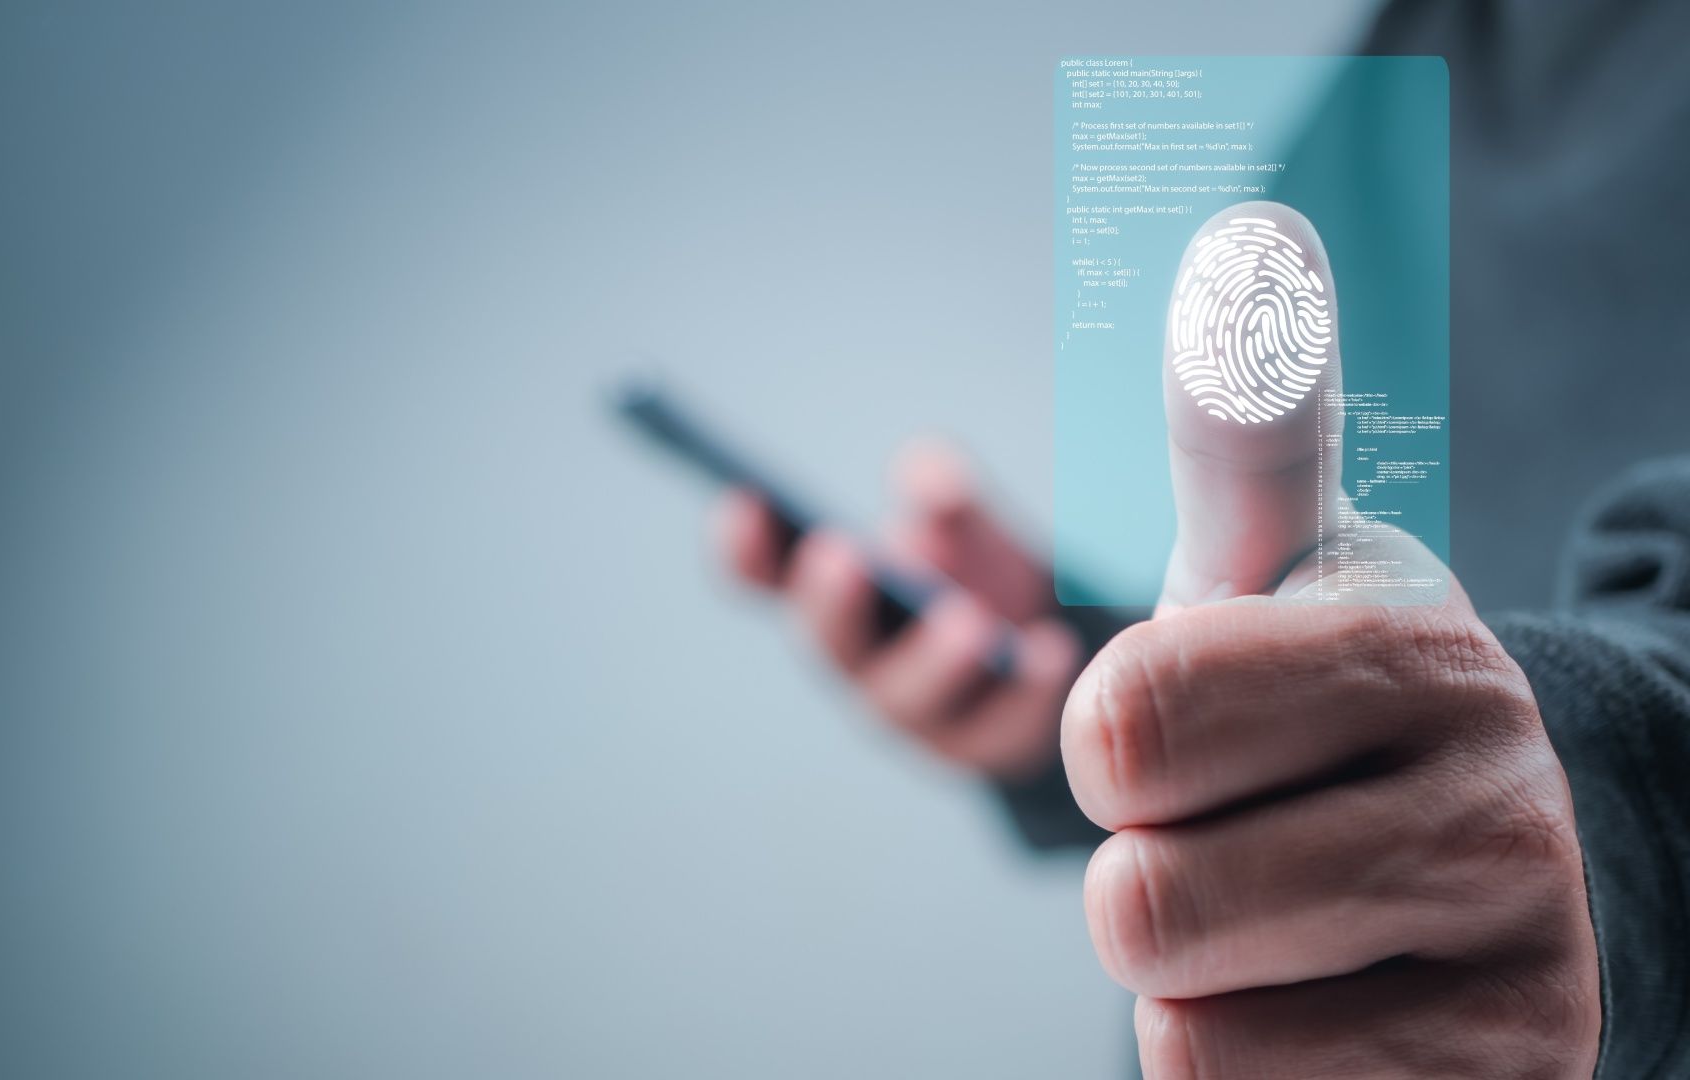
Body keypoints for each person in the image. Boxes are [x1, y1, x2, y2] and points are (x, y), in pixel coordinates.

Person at [711, 3, 1690, 1076]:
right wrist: (1096, 689)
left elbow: (1501, 747)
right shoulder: (1389, 89)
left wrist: (1621, 834)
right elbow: (1367, 631)